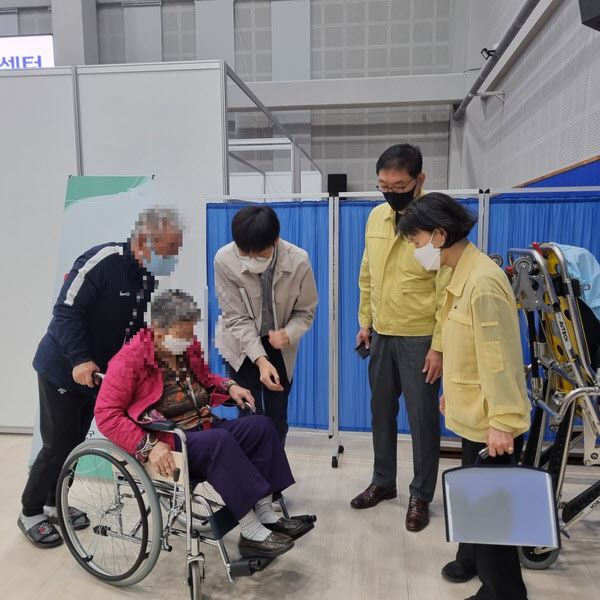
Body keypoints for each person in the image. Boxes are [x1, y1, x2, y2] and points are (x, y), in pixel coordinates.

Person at [95, 290, 304, 558]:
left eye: (190, 331)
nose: (187, 339)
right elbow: (106, 414)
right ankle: (251, 531)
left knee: (261, 427)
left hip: (204, 426)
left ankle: (265, 514)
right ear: (157, 328)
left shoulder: (187, 348)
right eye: (181, 333)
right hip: (171, 441)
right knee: (220, 443)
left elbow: (205, 379)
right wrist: (147, 445)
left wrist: (230, 387)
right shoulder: (129, 359)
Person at [18, 207, 183, 548]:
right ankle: (31, 511)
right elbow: (65, 311)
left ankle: (54, 503)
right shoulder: (103, 260)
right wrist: (79, 359)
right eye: (167, 249)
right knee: (57, 443)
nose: (170, 258)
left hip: (98, 377)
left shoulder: (145, 276)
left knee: (75, 443)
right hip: (63, 367)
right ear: (143, 239)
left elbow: (133, 331)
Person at [398, 192, 531, 600]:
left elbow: (500, 360)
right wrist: (452, 395)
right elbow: (463, 346)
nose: (416, 250)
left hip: (493, 418)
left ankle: (502, 590)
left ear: (440, 235)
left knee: (490, 516)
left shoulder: (484, 282)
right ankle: (470, 557)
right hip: (474, 411)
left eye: (417, 241)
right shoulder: (461, 272)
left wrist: (504, 422)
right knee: (470, 494)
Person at [350, 144, 451, 533]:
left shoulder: (435, 219)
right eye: (383, 185)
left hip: (420, 335)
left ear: (419, 180)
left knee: (423, 418)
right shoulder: (377, 217)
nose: (390, 192)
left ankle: (421, 494)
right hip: (381, 332)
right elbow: (367, 272)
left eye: (399, 184)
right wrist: (365, 320)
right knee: (380, 412)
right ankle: (383, 482)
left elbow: (447, 287)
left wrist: (439, 345)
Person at [214, 205, 318, 442]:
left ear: (276, 240)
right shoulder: (224, 259)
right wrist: (260, 360)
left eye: (258, 253)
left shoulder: (298, 261)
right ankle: (251, 476)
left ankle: (274, 475)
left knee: (276, 416)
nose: (250, 259)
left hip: (279, 345)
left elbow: (306, 311)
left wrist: (289, 333)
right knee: (249, 413)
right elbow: (235, 316)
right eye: (244, 252)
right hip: (240, 344)